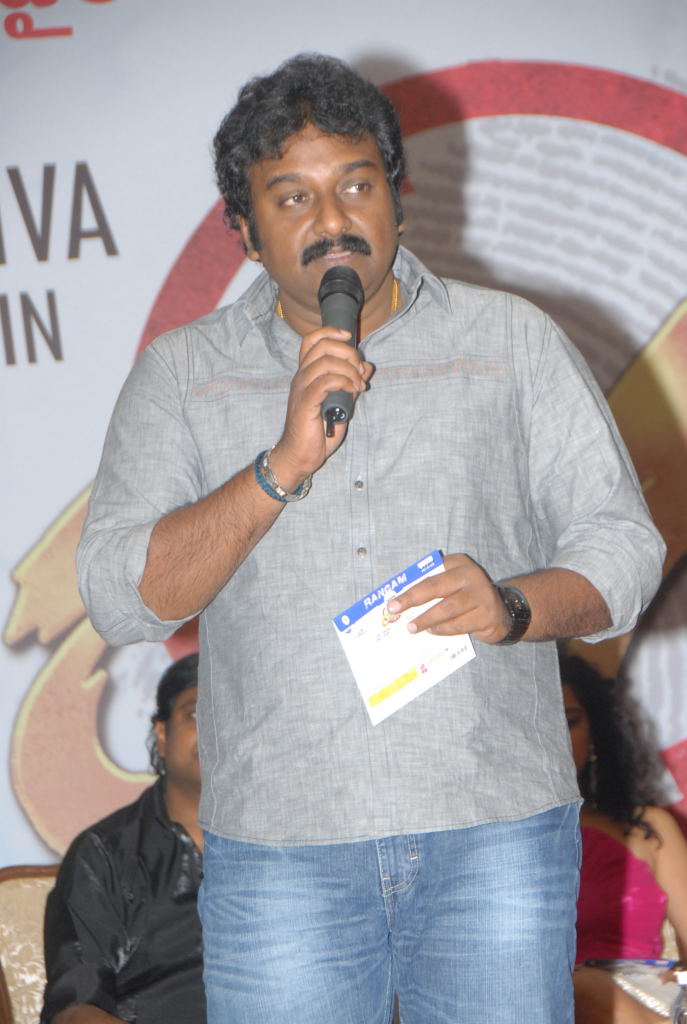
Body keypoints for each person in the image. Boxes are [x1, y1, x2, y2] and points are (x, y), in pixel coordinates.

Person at [76, 53, 665, 1024]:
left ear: (398, 194)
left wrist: (513, 604)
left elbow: (626, 551)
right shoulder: (183, 376)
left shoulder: (510, 341)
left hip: (492, 831)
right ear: (243, 230)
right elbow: (120, 594)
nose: (331, 221)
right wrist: (277, 468)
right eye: (291, 197)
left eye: (355, 185)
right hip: (282, 847)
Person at [41, 654, 205, 1024]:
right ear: (162, 735)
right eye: (196, 714)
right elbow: (74, 1011)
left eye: (230, 716)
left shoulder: (287, 849)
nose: (214, 729)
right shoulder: (105, 855)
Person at [561, 652, 687, 1023]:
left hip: (647, 999)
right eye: (541, 723)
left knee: (585, 989)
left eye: (569, 721)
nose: (556, 738)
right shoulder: (495, 844)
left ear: (596, 730)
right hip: (543, 1001)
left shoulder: (649, 828)